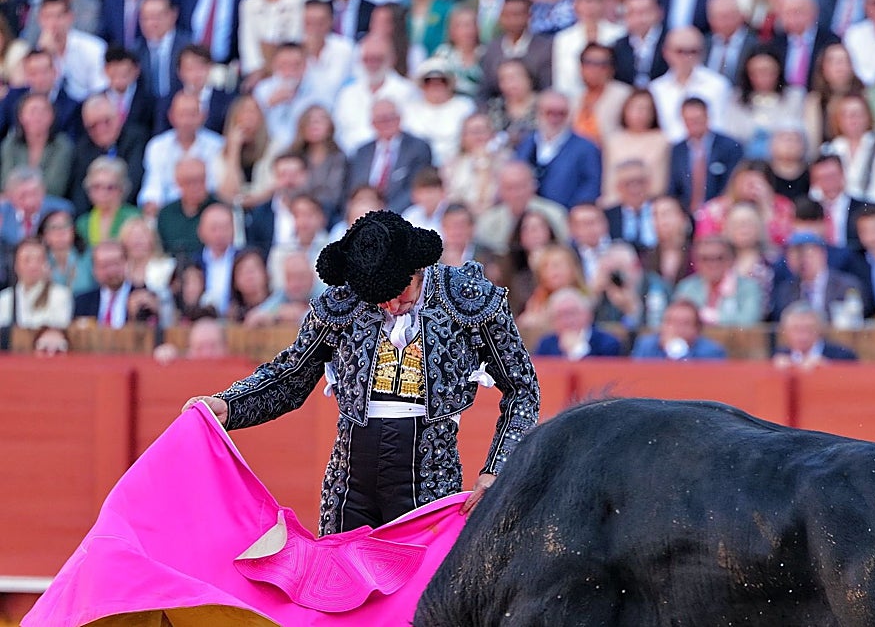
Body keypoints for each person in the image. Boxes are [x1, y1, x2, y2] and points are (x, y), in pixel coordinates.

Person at [182, 211, 540, 532]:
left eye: (400, 292)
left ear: (418, 269)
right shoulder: (344, 303)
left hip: (429, 473)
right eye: (378, 298)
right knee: (338, 589)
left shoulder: (467, 297)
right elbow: (292, 376)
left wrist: (498, 467)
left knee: (418, 597)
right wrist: (229, 406)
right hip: (351, 478)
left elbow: (523, 388)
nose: (392, 306)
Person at [0, 237, 73, 329]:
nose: (33, 266)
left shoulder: (60, 295)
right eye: (27, 260)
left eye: (39, 260)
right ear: (16, 265)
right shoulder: (4, 298)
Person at [532, 286, 623, 359]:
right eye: (560, 315)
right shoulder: (546, 345)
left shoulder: (608, 343)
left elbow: (604, 376)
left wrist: (578, 351)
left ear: (588, 314)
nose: (567, 321)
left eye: (572, 313)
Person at [629, 298, 727, 360]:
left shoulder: (712, 351)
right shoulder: (646, 345)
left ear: (696, 329)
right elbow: (636, 378)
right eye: (671, 322)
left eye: (684, 323)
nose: (676, 329)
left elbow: (695, 381)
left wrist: (676, 349)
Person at [771, 302, 857, 369]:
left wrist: (829, 367)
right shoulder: (778, 355)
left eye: (808, 329)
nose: (802, 336)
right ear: (786, 331)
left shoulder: (842, 356)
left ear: (820, 330)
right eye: (796, 329)